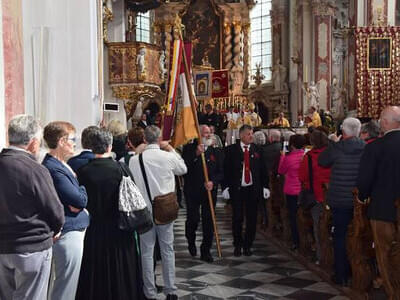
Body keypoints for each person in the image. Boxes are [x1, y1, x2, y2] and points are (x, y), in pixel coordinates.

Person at [0, 115, 64, 300]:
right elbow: (55, 210)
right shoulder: (35, 169)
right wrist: (57, 228)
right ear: (33, 143)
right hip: (31, 247)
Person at [75, 128, 142, 300]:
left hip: (95, 231)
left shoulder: (83, 172)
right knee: (121, 273)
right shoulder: (121, 169)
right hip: (120, 230)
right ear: (109, 146)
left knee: (95, 275)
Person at [130, 126, 187, 300]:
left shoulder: (134, 160)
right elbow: (183, 169)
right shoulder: (168, 157)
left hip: (144, 211)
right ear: (159, 138)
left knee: (147, 252)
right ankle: (171, 291)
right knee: (167, 250)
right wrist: (169, 147)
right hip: (165, 210)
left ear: (144, 140)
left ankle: (150, 293)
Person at [42, 121, 89, 300]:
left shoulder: (61, 164)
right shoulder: (54, 168)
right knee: (65, 286)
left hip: (71, 230)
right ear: (62, 141)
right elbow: (80, 200)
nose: (75, 143)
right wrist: (82, 188)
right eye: (73, 139)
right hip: (68, 232)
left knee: (64, 283)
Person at [357, 106, 400, 299]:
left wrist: (362, 195)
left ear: (385, 122)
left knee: (384, 254)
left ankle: (393, 294)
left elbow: (365, 179)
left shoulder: (375, 147)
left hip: (383, 209)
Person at [318, 117, 365, 286]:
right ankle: (357, 272)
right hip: (360, 201)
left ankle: (341, 274)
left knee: (340, 235)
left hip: (339, 199)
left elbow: (321, 161)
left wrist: (333, 143)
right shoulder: (366, 147)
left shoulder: (337, 148)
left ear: (343, 132)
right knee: (360, 235)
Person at [223, 125, 269, 256]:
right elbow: (226, 170)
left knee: (252, 218)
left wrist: (265, 186)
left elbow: (263, 170)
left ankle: (248, 244)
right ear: (241, 135)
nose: (251, 136)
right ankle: (237, 244)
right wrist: (225, 186)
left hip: (253, 188)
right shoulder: (231, 150)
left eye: (252, 134)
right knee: (237, 217)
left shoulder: (257, 150)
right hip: (237, 188)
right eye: (249, 134)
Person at [182, 125, 223, 262]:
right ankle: (191, 240)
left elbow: (221, 172)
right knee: (193, 219)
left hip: (209, 192)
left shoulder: (215, 151)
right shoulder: (189, 148)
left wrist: (213, 182)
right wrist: (195, 155)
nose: (208, 135)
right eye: (205, 133)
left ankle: (206, 250)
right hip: (192, 190)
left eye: (209, 133)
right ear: (198, 134)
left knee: (208, 221)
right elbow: (183, 169)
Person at [298, 129, 331, 264]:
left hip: (316, 196)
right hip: (332, 195)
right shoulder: (333, 154)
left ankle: (321, 257)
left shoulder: (309, 157)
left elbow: (302, 176)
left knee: (319, 227)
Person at [278, 134, 306, 250]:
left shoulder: (289, 158)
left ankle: (296, 241)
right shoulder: (305, 156)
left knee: (293, 217)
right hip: (304, 191)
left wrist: (283, 157)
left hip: (292, 191)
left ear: (292, 145)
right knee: (303, 216)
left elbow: (281, 170)